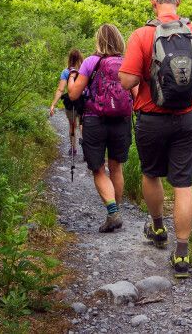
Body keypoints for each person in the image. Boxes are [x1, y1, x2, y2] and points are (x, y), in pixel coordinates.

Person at [119, 0, 192, 278]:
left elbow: (127, 81)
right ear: (178, 1)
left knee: (151, 174)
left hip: (151, 119)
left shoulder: (141, 35)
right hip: (187, 118)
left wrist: (146, 72)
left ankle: (157, 227)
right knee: (183, 184)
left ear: (153, 2)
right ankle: (181, 253)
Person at [68, 24, 135, 233]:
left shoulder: (90, 62)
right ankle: (115, 212)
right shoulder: (128, 63)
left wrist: (72, 78)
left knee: (98, 168)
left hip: (94, 120)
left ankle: (112, 212)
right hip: (121, 121)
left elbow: (73, 95)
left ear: (98, 40)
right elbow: (136, 94)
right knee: (116, 167)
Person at [49, 48, 84, 156]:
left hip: (70, 102)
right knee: (83, 125)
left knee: (72, 125)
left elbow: (60, 89)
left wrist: (53, 104)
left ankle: (73, 149)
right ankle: (86, 150)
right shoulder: (84, 69)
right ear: (80, 58)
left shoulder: (66, 72)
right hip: (83, 101)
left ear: (69, 59)